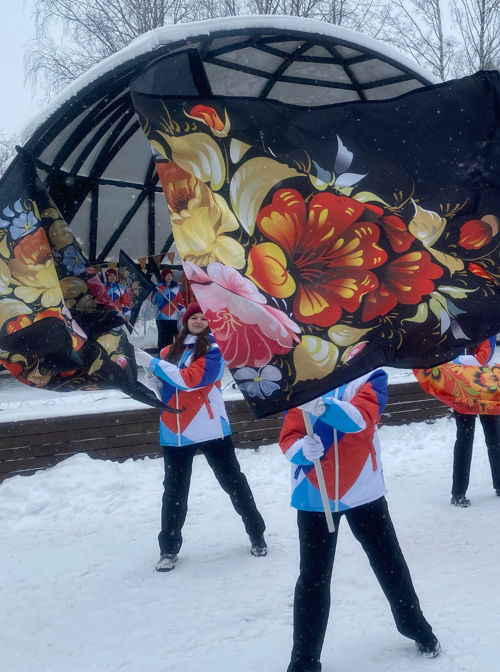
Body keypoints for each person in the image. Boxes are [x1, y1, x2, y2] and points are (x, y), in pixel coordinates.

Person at [280, 369, 440, 672]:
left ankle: (415, 626)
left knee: (388, 562)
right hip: (314, 493)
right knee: (313, 578)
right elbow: (288, 437)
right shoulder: (302, 379)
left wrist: (321, 406)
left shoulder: (371, 375)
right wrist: (301, 451)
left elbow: (361, 420)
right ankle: (304, 661)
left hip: (363, 490)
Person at [134, 303, 267, 572]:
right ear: (185, 322)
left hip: (211, 430)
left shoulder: (214, 351)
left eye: (203, 318)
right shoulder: (167, 352)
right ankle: (168, 549)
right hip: (175, 432)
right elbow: (169, 388)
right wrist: (154, 380)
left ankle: (257, 534)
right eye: (193, 317)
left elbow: (190, 380)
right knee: (174, 493)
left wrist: (151, 363)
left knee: (234, 484)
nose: (197, 321)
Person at [450, 336, 500, 506]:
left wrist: (460, 360)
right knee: (464, 439)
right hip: (462, 389)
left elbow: (483, 357)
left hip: (487, 387)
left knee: (494, 436)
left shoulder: (487, 329)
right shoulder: (455, 329)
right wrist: (459, 359)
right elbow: (448, 354)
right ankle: (458, 493)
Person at [152, 268, 184, 350]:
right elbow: (154, 301)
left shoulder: (176, 288)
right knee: (163, 338)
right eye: (167, 275)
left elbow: (180, 302)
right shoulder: (158, 287)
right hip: (161, 317)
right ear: (163, 277)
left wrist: (183, 311)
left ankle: (172, 353)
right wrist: (159, 294)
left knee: (173, 337)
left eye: (170, 275)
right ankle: (162, 352)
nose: (169, 277)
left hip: (174, 317)